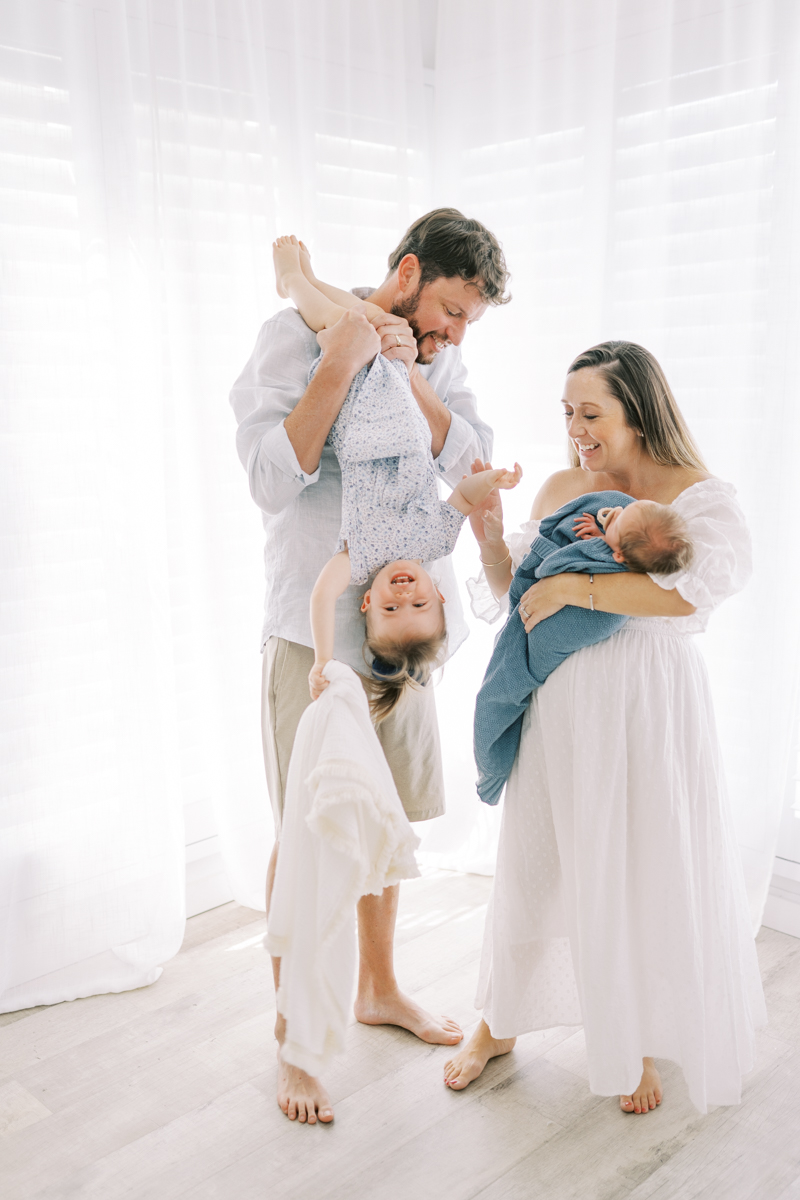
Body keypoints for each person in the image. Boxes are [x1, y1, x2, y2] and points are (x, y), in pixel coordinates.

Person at [229, 207, 511, 1124]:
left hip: (403, 630)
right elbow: (273, 478)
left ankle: (379, 988)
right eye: (453, 309)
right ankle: (293, 1038)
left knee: (387, 822)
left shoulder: (435, 356)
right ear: (408, 269)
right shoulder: (292, 336)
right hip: (314, 638)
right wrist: (348, 359)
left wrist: (406, 367)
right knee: (307, 835)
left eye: (470, 322)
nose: (457, 333)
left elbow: (473, 459)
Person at [444, 340, 766, 1115]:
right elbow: (515, 589)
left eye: (592, 413)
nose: (576, 429)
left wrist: (579, 596)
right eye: (567, 413)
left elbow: (692, 599)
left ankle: (637, 1035)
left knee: (643, 858)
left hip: (649, 706)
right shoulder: (562, 485)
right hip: (563, 704)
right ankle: (499, 1020)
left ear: (639, 411)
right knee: (540, 857)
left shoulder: (697, 495)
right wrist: (489, 533)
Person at [469, 488, 693, 806]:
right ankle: (492, 771)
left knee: (501, 691)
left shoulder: (642, 543)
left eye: (616, 522)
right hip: (549, 716)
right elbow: (512, 591)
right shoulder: (596, 513)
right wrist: (491, 542)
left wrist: (586, 555)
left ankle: (491, 770)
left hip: (617, 715)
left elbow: (559, 568)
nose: (612, 511)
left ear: (617, 555)